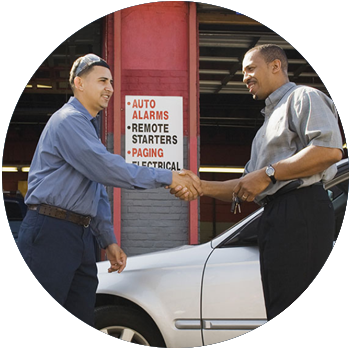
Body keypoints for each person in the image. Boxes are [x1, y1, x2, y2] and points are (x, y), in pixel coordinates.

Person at [17, 53, 201, 326]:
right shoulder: (68, 120)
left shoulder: (88, 129)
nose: (110, 89)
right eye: (102, 81)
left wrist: (108, 240)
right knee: (39, 324)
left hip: (79, 236)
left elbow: (97, 187)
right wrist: (168, 177)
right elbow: (104, 168)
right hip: (50, 232)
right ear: (79, 83)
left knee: (79, 322)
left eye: (112, 82)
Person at [174, 44, 343, 320]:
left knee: (293, 307)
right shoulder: (263, 130)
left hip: (302, 210)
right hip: (276, 215)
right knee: (277, 304)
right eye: (243, 72)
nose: (244, 77)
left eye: (250, 68)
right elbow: (246, 187)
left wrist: (268, 174)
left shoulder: (303, 97)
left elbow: (329, 151)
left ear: (276, 66)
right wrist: (200, 186)